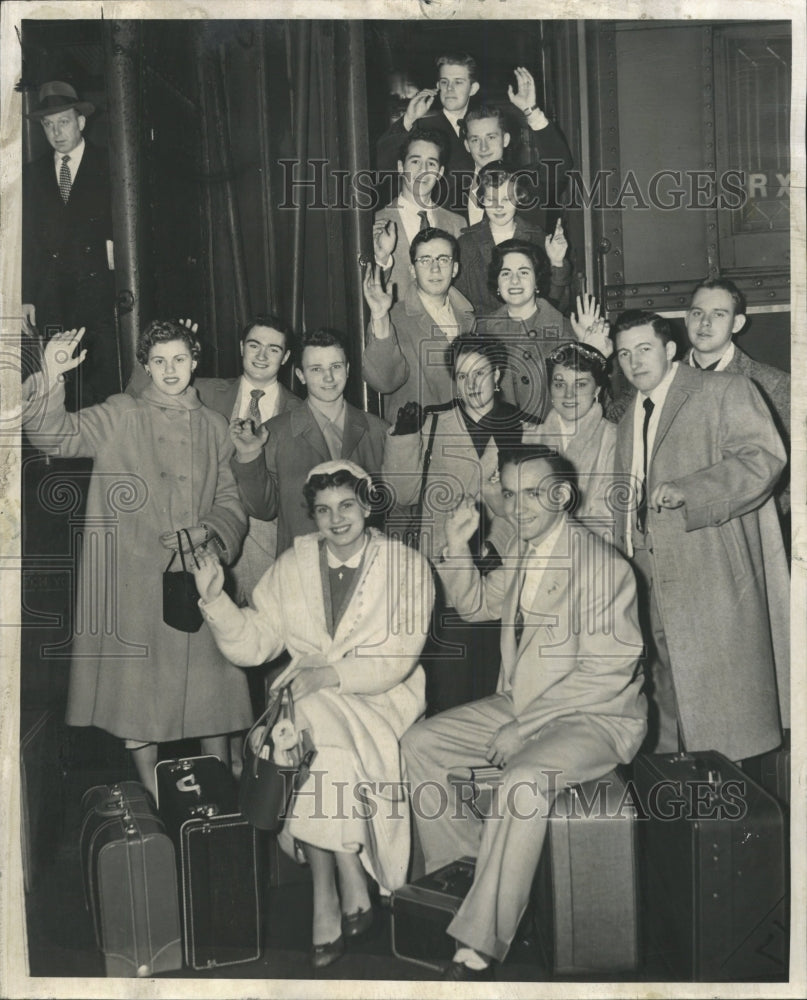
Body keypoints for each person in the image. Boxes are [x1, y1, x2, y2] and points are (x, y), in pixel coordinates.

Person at [401, 444, 646, 979]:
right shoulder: (521, 548)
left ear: (563, 495)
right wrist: (456, 545)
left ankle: (481, 939)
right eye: (509, 494)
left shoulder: (603, 566)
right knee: (421, 744)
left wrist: (524, 728)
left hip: (596, 716)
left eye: (532, 494)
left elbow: (605, 673)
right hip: (526, 702)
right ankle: (466, 875)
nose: (516, 507)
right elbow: (475, 605)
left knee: (525, 777)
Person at [193, 460, 434, 969]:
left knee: (304, 723)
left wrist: (327, 675)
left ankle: (326, 894)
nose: (336, 519)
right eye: (323, 511)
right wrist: (216, 602)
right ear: (312, 517)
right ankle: (345, 871)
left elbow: (399, 656)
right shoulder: (293, 565)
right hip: (312, 707)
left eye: (347, 505)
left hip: (378, 700)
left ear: (367, 505)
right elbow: (256, 642)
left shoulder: (406, 564)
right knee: (322, 749)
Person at [22, 322, 253, 798]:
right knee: (141, 695)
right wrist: (50, 374)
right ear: (146, 366)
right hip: (136, 580)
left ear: (196, 361)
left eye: (180, 360)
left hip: (199, 576)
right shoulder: (121, 414)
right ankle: (152, 790)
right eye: (160, 361)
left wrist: (207, 529)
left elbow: (231, 501)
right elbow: (54, 436)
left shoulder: (214, 426)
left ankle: (219, 793)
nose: (171, 370)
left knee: (215, 690)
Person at [611, 310, 789, 761]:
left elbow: (763, 460)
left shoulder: (724, 390)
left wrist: (692, 490)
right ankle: (677, 794)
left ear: (671, 349)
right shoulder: (632, 413)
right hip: (646, 572)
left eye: (644, 349)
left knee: (721, 708)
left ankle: (725, 804)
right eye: (624, 354)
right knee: (662, 691)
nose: (634, 362)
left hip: (708, 572)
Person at [382, 334, 526, 711]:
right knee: (447, 694)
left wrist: (497, 544)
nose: (471, 384)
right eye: (462, 376)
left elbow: (533, 508)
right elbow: (401, 493)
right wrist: (403, 437)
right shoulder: (431, 424)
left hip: (500, 577)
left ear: (497, 374)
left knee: (499, 693)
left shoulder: (525, 427)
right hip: (441, 579)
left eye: (480, 373)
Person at [230, 327, 388, 553]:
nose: (329, 377)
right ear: (301, 376)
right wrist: (249, 456)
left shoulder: (378, 431)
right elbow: (263, 510)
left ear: (348, 369)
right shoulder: (275, 432)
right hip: (302, 571)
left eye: (336, 367)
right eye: (316, 369)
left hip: (366, 568)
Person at [23, 81, 117, 408]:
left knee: (101, 381)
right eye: (48, 125)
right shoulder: (32, 176)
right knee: (61, 383)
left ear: (81, 121)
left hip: (99, 296)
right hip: (52, 297)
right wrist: (27, 297)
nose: (56, 132)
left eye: (63, 122)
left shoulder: (112, 166)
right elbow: (28, 241)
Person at [683, 277, 790, 515]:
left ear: (737, 323)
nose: (705, 323)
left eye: (719, 314)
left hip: (744, 524)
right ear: (686, 318)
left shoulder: (773, 385)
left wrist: (765, 520)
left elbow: (794, 469)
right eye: (698, 313)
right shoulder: (663, 379)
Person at [475, 243, 609, 420]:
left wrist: (593, 353)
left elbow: (596, 401)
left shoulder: (568, 331)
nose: (514, 280)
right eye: (505, 273)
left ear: (537, 280)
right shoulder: (481, 332)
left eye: (524, 272)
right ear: (497, 283)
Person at [362, 227, 475, 419]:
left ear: (455, 268)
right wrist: (380, 316)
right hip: (418, 440)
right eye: (425, 260)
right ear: (412, 270)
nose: (435, 268)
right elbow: (384, 382)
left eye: (443, 259)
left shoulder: (469, 318)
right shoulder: (394, 318)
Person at [522, 341, 618, 537]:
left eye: (580, 384)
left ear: (597, 390)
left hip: (591, 553)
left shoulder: (614, 438)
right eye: (559, 384)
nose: (568, 394)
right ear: (550, 389)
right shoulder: (529, 437)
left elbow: (607, 517)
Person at [455, 162, 571, 316]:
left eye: (506, 199)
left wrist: (556, 263)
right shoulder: (466, 244)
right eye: (491, 199)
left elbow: (558, 305)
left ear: (519, 197)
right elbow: (458, 305)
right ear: (482, 199)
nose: (498, 207)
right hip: (483, 335)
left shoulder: (537, 239)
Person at [373, 129, 465, 305]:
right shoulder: (375, 222)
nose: (423, 170)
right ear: (401, 167)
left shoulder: (457, 224)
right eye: (415, 161)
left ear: (440, 172)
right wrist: (382, 259)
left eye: (431, 163)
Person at [460, 94, 573, 228]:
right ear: (467, 145)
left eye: (491, 137)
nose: (483, 147)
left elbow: (559, 163)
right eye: (475, 140)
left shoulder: (528, 182)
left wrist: (532, 112)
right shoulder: (452, 191)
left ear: (505, 140)